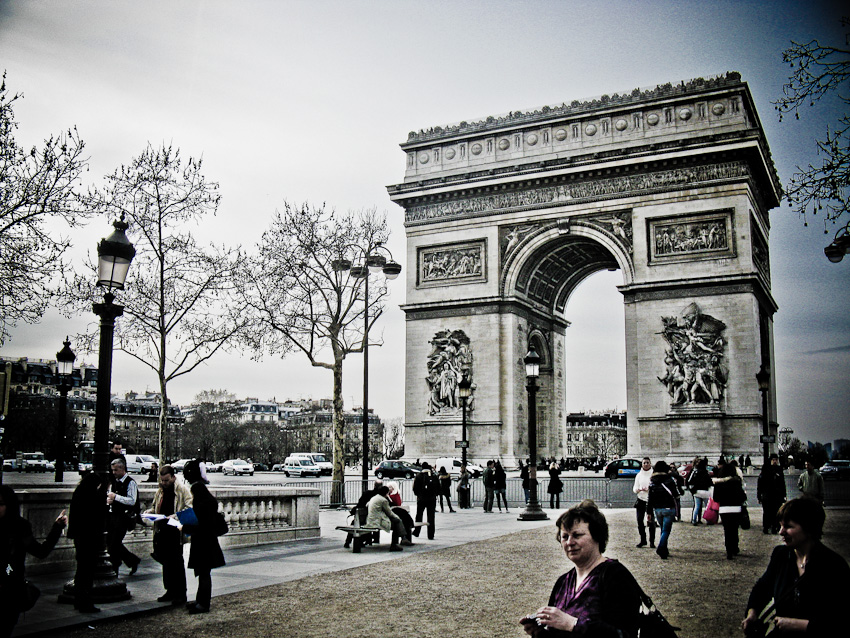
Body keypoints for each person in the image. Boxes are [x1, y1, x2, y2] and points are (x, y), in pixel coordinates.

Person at [519, 499, 641, 637]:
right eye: (564, 537)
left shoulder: (615, 576)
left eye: (577, 535)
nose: (570, 542)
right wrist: (540, 633)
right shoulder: (563, 582)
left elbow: (625, 634)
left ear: (597, 536)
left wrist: (573, 624)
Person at [742, 498, 850, 636]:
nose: (781, 532)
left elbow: (841, 619)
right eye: (781, 525)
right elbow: (763, 588)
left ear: (809, 528)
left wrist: (799, 625)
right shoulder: (780, 555)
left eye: (788, 526)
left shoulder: (834, 566)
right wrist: (752, 613)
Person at [0, 485, 68, 638]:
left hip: (9, 592)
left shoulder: (19, 527)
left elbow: (40, 552)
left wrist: (57, 528)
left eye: (0, 504)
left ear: (9, 505)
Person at [177, 459, 225, 614]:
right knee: (203, 571)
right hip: (206, 538)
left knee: (203, 572)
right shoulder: (201, 489)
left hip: (202, 538)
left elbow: (200, 520)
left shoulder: (197, 490)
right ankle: (201, 601)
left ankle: (203, 603)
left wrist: (185, 526)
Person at [147, 464, 193, 605]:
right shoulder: (160, 491)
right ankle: (170, 590)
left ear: (173, 477)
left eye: (166, 480)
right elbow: (155, 507)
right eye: (162, 480)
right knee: (166, 563)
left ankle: (180, 593)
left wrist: (176, 516)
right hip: (162, 529)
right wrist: (150, 513)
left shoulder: (182, 490)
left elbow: (190, 508)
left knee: (176, 562)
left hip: (175, 530)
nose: (164, 483)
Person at [67, 472, 106, 613]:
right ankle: (85, 602)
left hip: (80, 537)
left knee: (81, 570)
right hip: (89, 538)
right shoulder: (91, 497)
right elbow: (98, 517)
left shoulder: (79, 493)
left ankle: (79, 599)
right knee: (87, 572)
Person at [106, 456, 141, 575]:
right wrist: (110, 501)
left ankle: (115, 566)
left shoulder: (130, 483)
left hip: (125, 518)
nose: (113, 473)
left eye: (116, 470)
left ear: (123, 469)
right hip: (114, 516)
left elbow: (132, 500)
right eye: (112, 470)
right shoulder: (115, 482)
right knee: (112, 542)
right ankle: (131, 560)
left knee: (114, 543)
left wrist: (116, 497)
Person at [713, 461, 746, 559]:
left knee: (727, 530)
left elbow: (716, 498)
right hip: (736, 508)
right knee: (734, 529)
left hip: (724, 509)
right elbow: (742, 496)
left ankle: (729, 551)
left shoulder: (719, 484)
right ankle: (735, 547)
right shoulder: (736, 482)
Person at [647, 461, 679, 560]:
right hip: (668, 507)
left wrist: (649, 512)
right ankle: (661, 547)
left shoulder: (652, 481)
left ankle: (664, 549)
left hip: (657, 509)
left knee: (662, 529)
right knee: (666, 530)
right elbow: (675, 494)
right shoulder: (669, 480)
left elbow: (650, 498)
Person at [365, 485, 407, 551]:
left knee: (396, 521)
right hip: (378, 522)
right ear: (386, 493)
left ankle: (403, 538)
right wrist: (397, 517)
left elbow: (367, 504)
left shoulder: (374, 498)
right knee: (397, 522)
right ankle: (395, 543)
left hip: (371, 520)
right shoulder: (383, 500)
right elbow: (389, 513)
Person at [756, 453, 786, 535]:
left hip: (777, 495)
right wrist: (759, 496)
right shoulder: (765, 469)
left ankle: (774, 527)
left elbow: (782, 483)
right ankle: (766, 527)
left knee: (776, 512)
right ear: (770, 461)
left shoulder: (779, 469)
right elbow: (760, 484)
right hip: (767, 495)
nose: (775, 461)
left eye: (776, 460)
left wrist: (784, 495)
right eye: (773, 460)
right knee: (767, 512)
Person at [632, 457, 656, 548]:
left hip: (650, 500)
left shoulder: (653, 474)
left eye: (647, 462)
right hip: (641, 499)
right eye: (644, 463)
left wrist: (649, 489)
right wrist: (637, 490)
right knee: (639, 520)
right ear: (642, 464)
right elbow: (634, 487)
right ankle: (643, 539)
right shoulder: (639, 475)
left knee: (651, 522)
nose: (646, 464)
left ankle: (652, 541)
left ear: (650, 463)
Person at [412, 462, 437, 540]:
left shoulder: (419, 476)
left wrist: (418, 495)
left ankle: (417, 531)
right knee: (431, 517)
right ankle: (431, 534)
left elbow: (415, 488)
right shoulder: (433, 476)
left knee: (419, 515)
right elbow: (438, 487)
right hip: (431, 499)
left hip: (421, 499)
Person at [687, 457, 713, 525]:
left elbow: (689, 481)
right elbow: (710, 482)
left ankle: (694, 520)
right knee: (707, 507)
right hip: (705, 491)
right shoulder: (706, 472)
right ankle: (708, 520)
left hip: (697, 491)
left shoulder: (695, 472)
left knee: (697, 506)